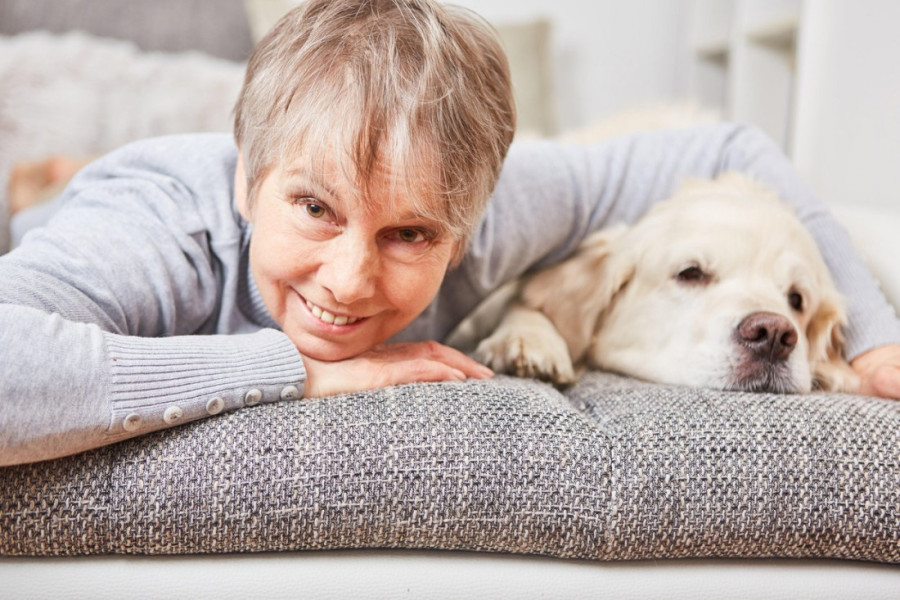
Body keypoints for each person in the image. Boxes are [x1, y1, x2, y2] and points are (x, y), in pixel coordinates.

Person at [1, 0, 899, 467]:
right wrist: (302, 370)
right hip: (105, 212)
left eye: (409, 236)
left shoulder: (504, 202)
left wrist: (876, 336)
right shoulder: (169, 226)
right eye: (315, 208)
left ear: (469, 227)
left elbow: (732, 145)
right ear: (248, 179)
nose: (350, 280)